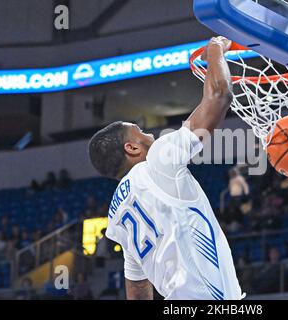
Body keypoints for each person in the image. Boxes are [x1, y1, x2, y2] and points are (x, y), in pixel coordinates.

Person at [88, 37, 243, 300]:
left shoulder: (118, 215)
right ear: (132, 149)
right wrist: (216, 47)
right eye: (141, 132)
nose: (150, 134)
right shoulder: (158, 159)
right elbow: (220, 95)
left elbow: (136, 289)